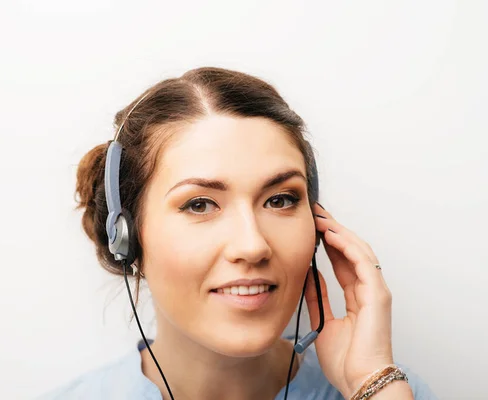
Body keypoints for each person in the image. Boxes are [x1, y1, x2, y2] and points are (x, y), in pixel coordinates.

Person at [40, 67, 437, 399]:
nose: (253, 245)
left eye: (280, 200)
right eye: (199, 204)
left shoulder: (388, 391)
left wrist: (371, 383)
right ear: (127, 238)